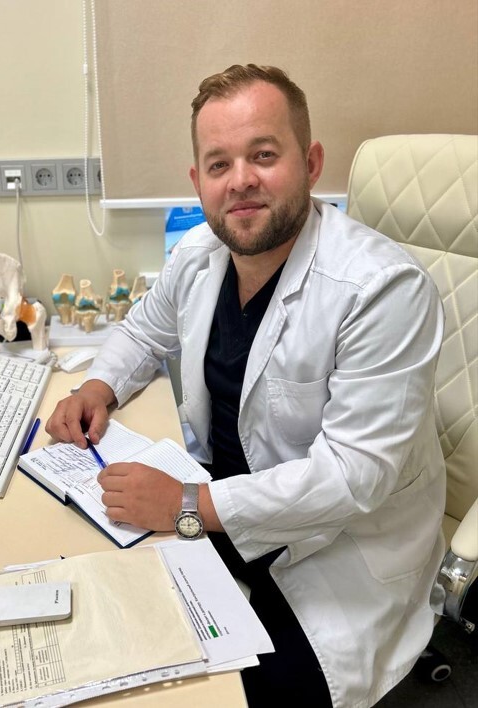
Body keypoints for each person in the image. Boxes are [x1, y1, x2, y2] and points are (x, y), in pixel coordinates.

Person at [46, 64, 446, 707]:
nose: (240, 181)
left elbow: (353, 478)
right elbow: (143, 332)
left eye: (263, 155)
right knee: (102, 621)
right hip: (224, 510)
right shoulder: (199, 255)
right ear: (197, 182)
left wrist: (186, 504)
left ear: (310, 163)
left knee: (218, 695)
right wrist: (97, 386)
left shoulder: (381, 289)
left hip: (337, 548)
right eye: (219, 164)